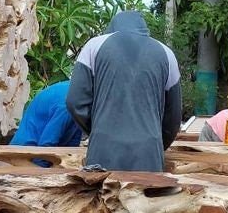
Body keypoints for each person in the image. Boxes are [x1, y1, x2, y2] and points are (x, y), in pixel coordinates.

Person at [65, 11, 182, 172]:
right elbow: (173, 118)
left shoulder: (94, 46)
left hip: (103, 149)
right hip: (148, 153)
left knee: (101, 196)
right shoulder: (167, 54)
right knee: (144, 196)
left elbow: (75, 102)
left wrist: (99, 129)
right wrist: (155, 143)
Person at [10, 81, 83, 148]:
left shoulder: (79, 93)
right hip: (25, 151)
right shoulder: (67, 104)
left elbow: (73, 146)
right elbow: (47, 144)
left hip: (39, 148)